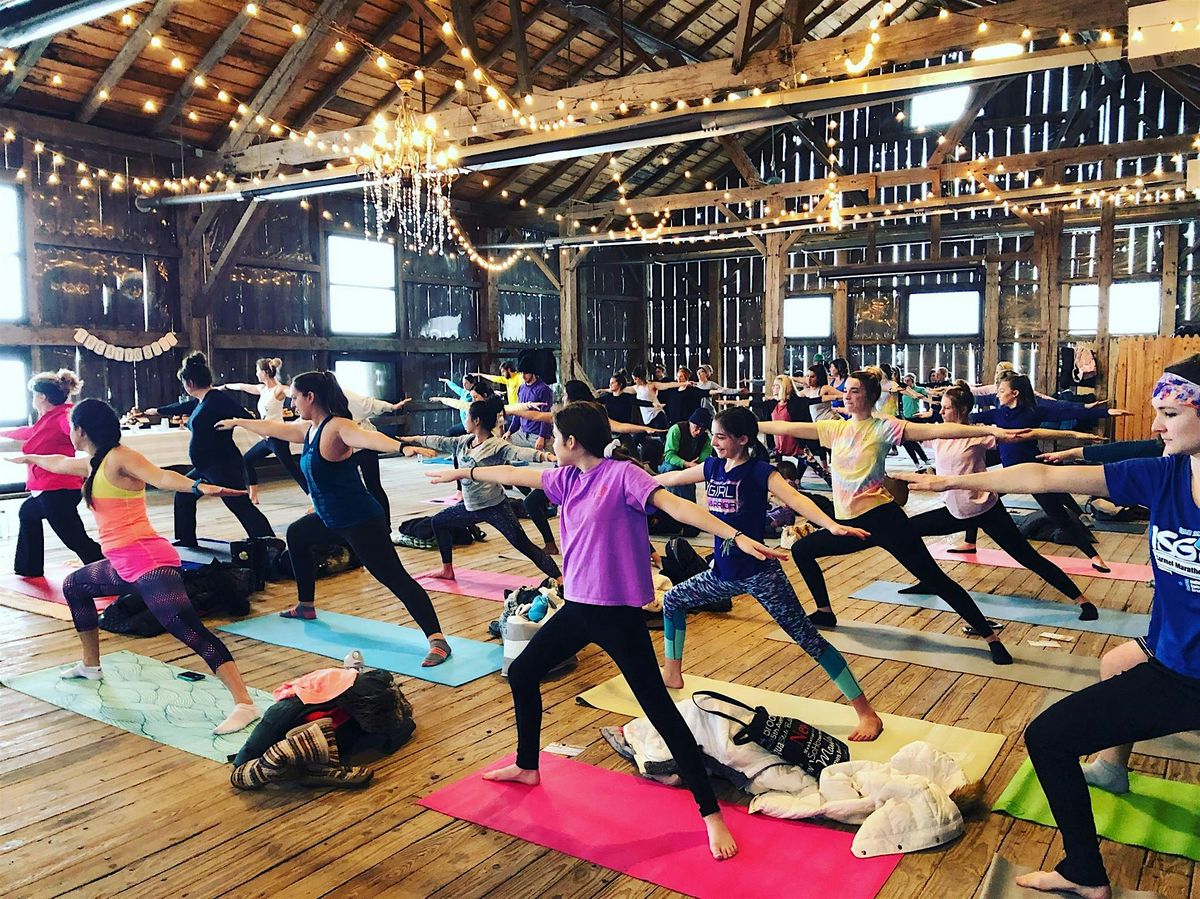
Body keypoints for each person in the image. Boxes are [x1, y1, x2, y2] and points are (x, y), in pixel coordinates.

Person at [426, 400, 790, 860]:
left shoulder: (624, 476)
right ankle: (526, 766)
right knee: (521, 674)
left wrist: (735, 536)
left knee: (660, 711)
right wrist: (466, 476)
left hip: (618, 615)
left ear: (571, 442)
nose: (551, 447)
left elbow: (677, 507)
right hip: (577, 608)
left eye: (556, 438)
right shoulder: (567, 478)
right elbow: (518, 476)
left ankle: (710, 814)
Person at [893, 355, 1200, 899]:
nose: (1155, 426)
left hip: (1188, 676)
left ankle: (1085, 872)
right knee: (1115, 662)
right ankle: (1112, 769)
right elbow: (1043, 474)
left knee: (1048, 739)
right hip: (1171, 654)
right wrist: (948, 479)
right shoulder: (1162, 473)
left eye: (1170, 413)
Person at [10, 399, 261, 734]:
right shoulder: (95, 464)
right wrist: (30, 458)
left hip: (149, 562)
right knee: (74, 586)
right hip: (122, 562)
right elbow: (57, 463)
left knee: (187, 629)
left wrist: (201, 486)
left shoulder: (120, 457)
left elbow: (161, 476)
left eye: (71, 426)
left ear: (81, 430)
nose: (69, 432)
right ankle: (91, 666)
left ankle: (245, 703)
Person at [656, 406, 883, 741]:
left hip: (762, 574)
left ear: (742, 440)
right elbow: (670, 479)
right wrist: (633, 483)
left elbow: (796, 500)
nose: (713, 441)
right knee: (672, 600)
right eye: (713, 435)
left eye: (721, 437)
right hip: (723, 572)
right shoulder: (713, 466)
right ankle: (673, 673)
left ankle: (867, 713)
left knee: (807, 637)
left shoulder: (760, 472)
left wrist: (832, 525)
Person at [760, 369, 1017, 664]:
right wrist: (750, 424)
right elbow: (788, 429)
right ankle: (825, 612)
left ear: (869, 397)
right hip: (847, 523)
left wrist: (989, 431)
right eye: (847, 390)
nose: (847, 395)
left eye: (854, 391)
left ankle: (990, 637)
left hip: (883, 520)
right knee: (803, 550)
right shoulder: (835, 429)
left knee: (934, 578)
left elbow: (936, 431)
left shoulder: (883, 427)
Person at [218, 371, 451, 666]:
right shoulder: (309, 429)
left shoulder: (339, 427)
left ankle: (437, 640)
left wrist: (402, 446)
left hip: (360, 520)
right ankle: (306, 606)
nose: (293, 403)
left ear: (310, 397)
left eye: (295, 398)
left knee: (394, 578)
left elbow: (369, 438)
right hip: (330, 517)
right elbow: (273, 428)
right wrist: (239, 422)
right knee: (297, 535)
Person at [901, 384, 1104, 622]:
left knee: (1028, 557)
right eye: (941, 408)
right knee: (908, 531)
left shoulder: (978, 434)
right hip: (956, 511)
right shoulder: (938, 435)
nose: (942, 413)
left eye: (947, 408)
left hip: (986, 510)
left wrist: (1076, 437)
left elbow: (1029, 433)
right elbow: (902, 431)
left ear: (963, 410)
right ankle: (930, 581)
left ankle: (1083, 601)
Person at [969, 370, 1129, 570]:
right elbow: (969, 418)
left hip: (1032, 472)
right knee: (979, 502)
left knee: (1058, 515)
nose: (998, 395)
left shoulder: (1033, 411)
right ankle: (969, 543)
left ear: (1015, 393)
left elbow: (1064, 411)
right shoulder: (998, 413)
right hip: (1008, 473)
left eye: (1002, 391)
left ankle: (1095, 557)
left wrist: (1104, 412)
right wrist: (933, 416)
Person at [398, 399, 561, 583]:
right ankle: (447, 570)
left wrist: (545, 455)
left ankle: (560, 577)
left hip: (496, 507)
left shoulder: (496, 445)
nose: (465, 420)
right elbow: (439, 441)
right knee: (438, 522)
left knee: (523, 544)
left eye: (467, 416)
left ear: (476, 421)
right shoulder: (463, 442)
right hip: (470, 506)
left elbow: (518, 452)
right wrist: (412, 440)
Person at [141, 352, 275, 547]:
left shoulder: (217, 399)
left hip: (223, 464)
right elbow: (182, 406)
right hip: (206, 466)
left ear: (190, 383)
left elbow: (245, 415)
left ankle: (269, 544)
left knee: (239, 504)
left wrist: (234, 422)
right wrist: (158, 411)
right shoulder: (201, 401)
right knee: (184, 495)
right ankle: (186, 541)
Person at [1, 369, 103, 577]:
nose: (33, 399)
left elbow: (76, 430)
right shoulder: (48, 419)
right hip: (48, 489)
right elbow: (28, 432)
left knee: (75, 538)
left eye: (34, 395)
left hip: (59, 488)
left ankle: (109, 570)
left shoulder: (63, 416)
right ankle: (29, 569)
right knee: (27, 513)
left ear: (41, 397)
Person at [221, 357, 306, 504]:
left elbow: (289, 391)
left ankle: (314, 497)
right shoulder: (262, 389)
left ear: (265, 372)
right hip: (266, 438)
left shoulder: (278, 390)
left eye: (258, 371)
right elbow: (242, 386)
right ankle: (253, 496)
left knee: (292, 469)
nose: (256, 373)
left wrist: (297, 394)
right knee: (247, 460)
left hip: (278, 436)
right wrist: (224, 387)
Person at [341, 387, 410, 527]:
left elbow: (369, 403)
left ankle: (386, 525)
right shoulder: (321, 403)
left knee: (373, 485)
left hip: (366, 443)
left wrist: (393, 407)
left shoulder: (345, 394)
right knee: (350, 487)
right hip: (347, 446)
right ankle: (359, 524)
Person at [658, 409, 713, 502]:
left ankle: (686, 504)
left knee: (689, 478)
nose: (699, 431)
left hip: (692, 466)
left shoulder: (706, 439)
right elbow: (669, 455)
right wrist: (686, 464)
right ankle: (679, 503)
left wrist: (694, 466)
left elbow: (703, 458)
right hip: (670, 464)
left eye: (703, 429)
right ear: (690, 422)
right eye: (696, 427)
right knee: (674, 470)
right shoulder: (676, 430)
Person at [506, 369, 554, 449]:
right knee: (505, 444)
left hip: (537, 435)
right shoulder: (521, 388)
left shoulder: (543, 389)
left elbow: (546, 416)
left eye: (526, 373)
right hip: (522, 434)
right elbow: (518, 413)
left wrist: (542, 436)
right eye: (521, 373)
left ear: (533, 372)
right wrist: (510, 431)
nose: (523, 376)